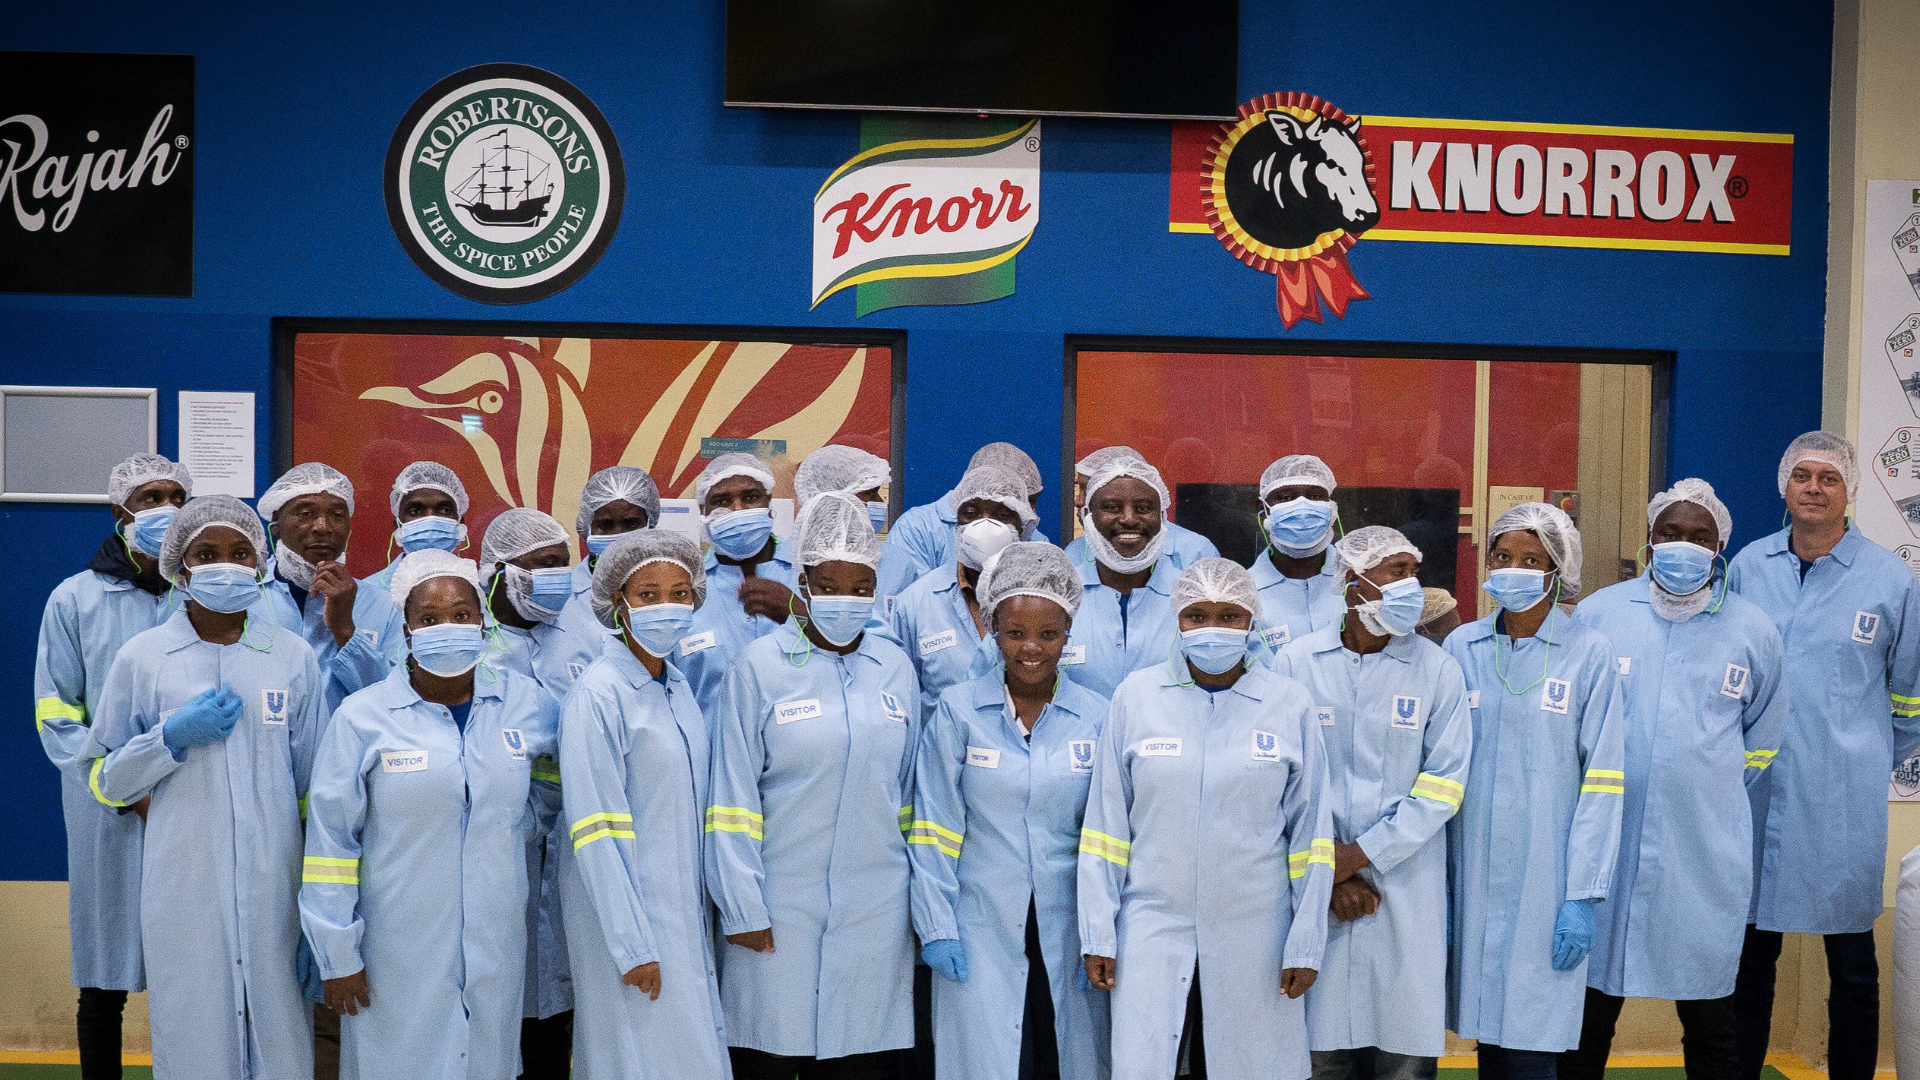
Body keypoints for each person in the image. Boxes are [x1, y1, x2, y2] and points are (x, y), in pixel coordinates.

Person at [84, 494, 325, 1080]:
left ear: (261, 559)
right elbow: (105, 781)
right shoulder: (144, 658)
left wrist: (318, 916)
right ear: (181, 567)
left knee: (283, 1054)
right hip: (183, 893)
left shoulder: (290, 658)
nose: (227, 563)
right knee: (193, 1048)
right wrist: (166, 740)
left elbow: (317, 798)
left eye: (241, 551)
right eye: (208, 553)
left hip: (276, 894)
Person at [299, 549, 561, 1080]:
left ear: (483, 622)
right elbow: (330, 845)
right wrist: (337, 953)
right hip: (392, 947)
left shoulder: (525, 705)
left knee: (487, 1064)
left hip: (494, 941)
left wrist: (517, 822)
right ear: (406, 628)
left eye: (462, 615)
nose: (449, 627)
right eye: (430, 618)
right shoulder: (364, 717)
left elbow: (553, 783)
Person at [1561, 480, 1787, 1080]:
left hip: (1703, 853)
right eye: (1671, 533)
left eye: (1699, 537)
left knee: (1712, 1022)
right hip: (1603, 849)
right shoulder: (1601, 616)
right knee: (1586, 1019)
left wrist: (1701, 790)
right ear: (1650, 539)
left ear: (1719, 549)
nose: (1683, 546)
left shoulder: (1752, 630)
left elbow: (1763, 738)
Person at [1078, 557, 1332, 1080]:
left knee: (1251, 1063)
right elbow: (1106, 830)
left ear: (1251, 621)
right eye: (1197, 615)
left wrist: (1305, 940)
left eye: (1229, 615)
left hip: (1257, 927)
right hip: (1150, 922)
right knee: (1148, 1061)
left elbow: (1312, 836)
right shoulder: (1137, 697)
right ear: (1177, 619)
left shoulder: (1288, 704)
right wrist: (1099, 934)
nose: (1213, 628)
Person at [706, 491, 922, 1076]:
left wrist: (918, 910)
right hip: (778, 907)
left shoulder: (894, 669)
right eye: (828, 585)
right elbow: (730, 799)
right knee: (772, 1055)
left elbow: (907, 797)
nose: (845, 601)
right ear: (801, 582)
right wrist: (742, 906)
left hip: (875, 911)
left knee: (859, 1061)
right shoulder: (760, 666)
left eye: (860, 588)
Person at [1730, 432, 1920, 1080]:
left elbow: (1911, 697)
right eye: (1803, 476)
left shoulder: (1890, 580)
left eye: (1828, 478)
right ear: (1784, 486)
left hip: (1843, 801)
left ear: (1849, 491)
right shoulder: (1748, 567)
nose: (1814, 487)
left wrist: (1857, 759)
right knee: (1750, 960)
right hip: (1753, 794)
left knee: (1854, 967)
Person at [1269, 526, 1471, 1080]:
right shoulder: (1295, 664)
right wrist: (1330, 872)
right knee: (1320, 1057)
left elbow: (1443, 784)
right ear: (1353, 582)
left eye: (1413, 571)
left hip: (1403, 889)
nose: (1411, 584)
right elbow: (1280, 782)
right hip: (1316, 890)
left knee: (1403, 1060)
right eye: (1395, 571)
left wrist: (1357, 856)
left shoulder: (1438, 670)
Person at [908, 542, 1112, 1080]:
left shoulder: (1096, 717)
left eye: (1049, 634)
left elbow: (1108, 835)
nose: (1031, 649)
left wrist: (1101, 932)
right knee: (986, 1060)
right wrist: (936, 927)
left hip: (1068, 927)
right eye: (1015, 633)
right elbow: (932, 827)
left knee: (1063, 1056)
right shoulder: (958, 712)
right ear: (992, 631)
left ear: (1069, 633)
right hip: (976, 923)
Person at [1443, 503, 1626, 1079]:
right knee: (1488, 1043)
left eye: (1531, 559)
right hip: (1470, 871)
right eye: (1502, 557)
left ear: (1558, 569)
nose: (1513, 569)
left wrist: (1582, 895)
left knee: (1532, 1046)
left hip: (1548, 879)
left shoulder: (1588, 653)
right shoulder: (1462, 649)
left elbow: (1603, 781)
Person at [34, 452, 190, 1080]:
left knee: (197, 959)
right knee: (104, 974)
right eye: (149, 497)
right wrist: (117, 784)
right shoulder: (75, 600)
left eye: (175, 496)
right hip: (109, 810)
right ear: (120, 512)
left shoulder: (203, 592)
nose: (164, 509)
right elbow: (56, 711)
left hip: (193, 799)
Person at [560, 530, 731, 1076]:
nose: (667, 607)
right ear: (618, 604)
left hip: (680, 915)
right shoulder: (599, 694)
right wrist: (631, 945)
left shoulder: (676, 687)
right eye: (649, 593)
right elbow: (595, 831)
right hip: (626, 925)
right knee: (633, 1059)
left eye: (680, 594)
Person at [477, 508, 596, 1076]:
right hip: (493, 839)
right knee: (493, 994)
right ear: (499, 571)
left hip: (569, 838)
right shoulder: (463, 635)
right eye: (541, 565)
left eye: (561, 564)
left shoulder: (586, 633)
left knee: (555, 1004)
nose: (556, 576)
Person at [889, 463, 1038, 722]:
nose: (985, 525)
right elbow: (901, 703)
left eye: (1002, 514)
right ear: (955, 523)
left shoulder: (1045, 598)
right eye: (971, 513)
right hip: (941, 756)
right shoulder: (915, 603)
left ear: (1022, 526)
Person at [256, 463, 405, 709]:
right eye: (305, 514)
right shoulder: (248, 600)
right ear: (276, 527)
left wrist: (345, 629)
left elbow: (395, 701)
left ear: (348, 528)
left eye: (337, 515)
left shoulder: (384, 606)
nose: (323, 527)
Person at [675, 452, 801, 710]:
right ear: (703, 511)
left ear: (769, 502)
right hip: (713, 748)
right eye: (721, 501)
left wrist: (800, 613)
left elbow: (858, 647)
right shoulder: (684, 589)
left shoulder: (808, 572)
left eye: (750, 498)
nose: (737, 510)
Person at [1061, 457, 1180, 700]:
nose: (1128, 518)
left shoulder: (1191, 597)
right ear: (1087, 515)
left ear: (1162, 516)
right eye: (1111, 508)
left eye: (1144, 508)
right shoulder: (1058, 596)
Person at [886, 443, 1049, 582]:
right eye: (1016, 500)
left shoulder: (1036, 541)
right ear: (977, 484)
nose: (1027, 509)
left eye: (1032, 500)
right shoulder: (916, 528)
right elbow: (914, 602)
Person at [795, 444, 918, 614]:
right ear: (832, 496)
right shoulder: (782, 563)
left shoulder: (898, 564)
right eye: (869, 493)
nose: (881, 503)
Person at [1248, 455, 1346, 652]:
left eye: (1315, 496)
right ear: (1263, 509)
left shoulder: (1360, 581)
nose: (1302, 507)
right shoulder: (1244, 591)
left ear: (1332, 507)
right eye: (1286, 497)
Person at [1065, 446, 1218, 570]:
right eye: (1112, 507)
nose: (1078, 501)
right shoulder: (1076, 552)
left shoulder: (1195, 551)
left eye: (1087, 489)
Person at [358, 461, 471, 601]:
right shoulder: (365, 595)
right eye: (415, 511)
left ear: (460, 523)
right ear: (397, 526)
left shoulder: (480, 594)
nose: (431, 519)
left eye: (444, 510)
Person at [564, 465, 661, 628]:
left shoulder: (674, 587)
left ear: (649, 523)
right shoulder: (564, 597)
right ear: (587, 527)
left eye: (631, 523)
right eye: (605, 524)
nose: (618, 535)